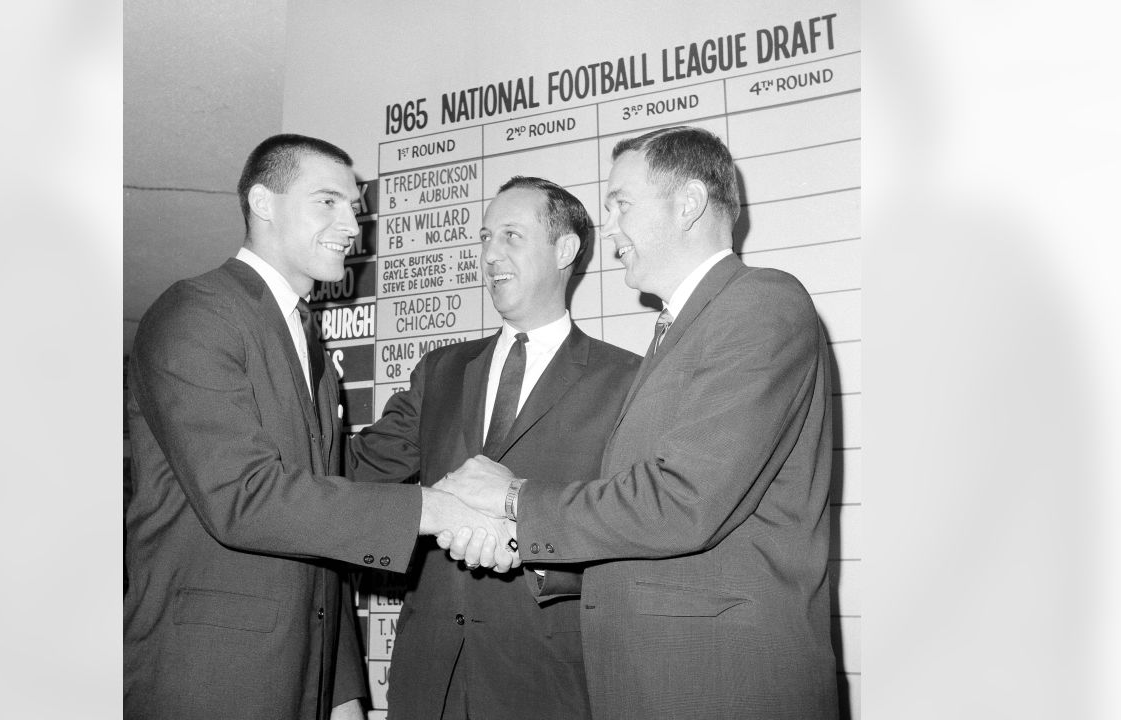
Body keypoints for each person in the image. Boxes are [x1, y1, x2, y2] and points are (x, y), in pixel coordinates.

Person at [437, 126, 840, 719]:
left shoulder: (760, 302)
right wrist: (531, 549)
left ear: (689, 205)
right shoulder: (678, 332)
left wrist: (514, 501)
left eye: (622, 203)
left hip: (723, 688)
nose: (611, 226)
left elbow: (683, 502)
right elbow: (658, 533)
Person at [124, 134, 517, 720]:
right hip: (204, 676)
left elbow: (322, 510)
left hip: (302, 677)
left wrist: (341, 691)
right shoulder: (195, 313)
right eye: (327, 202)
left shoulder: (305, 341)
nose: (351, 224)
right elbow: (244, 498)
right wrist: (434, 510)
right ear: (263, 203)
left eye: (354, 207)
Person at [347, 177, 640, 720]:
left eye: (510, 235)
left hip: (546, 686)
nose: (489, 254)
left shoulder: (627, 381)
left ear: (566, 249)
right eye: (484, 237)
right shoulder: (440, 371)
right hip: (426, 685)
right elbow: (356, 473)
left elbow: (634, 529)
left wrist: (527, 550)